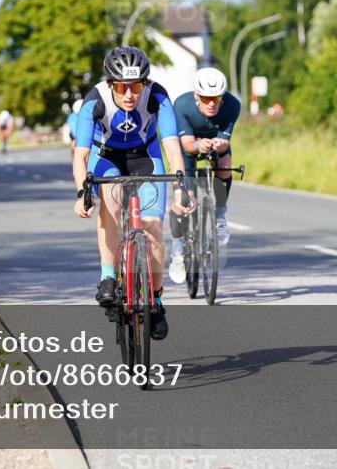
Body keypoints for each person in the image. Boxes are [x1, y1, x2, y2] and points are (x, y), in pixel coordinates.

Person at [72, 46, 194, 341]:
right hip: (108, 158)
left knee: (153, 230)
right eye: (123, 87)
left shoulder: (157, 97)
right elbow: (80, 155)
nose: (130, 94)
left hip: (146, 157)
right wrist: (82, 193)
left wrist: (181, 190)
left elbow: (172, 147)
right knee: (110, 206)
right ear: (111, 83)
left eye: (136, 85)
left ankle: (156, 299)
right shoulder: (94, 102)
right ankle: (108, 277)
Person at [168, 67, 241, 284]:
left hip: (214, 144)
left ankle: (219, 216)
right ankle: (177, 253)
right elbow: (188, 146)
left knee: (226, 163)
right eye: (206, 98)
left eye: (216, 98)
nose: (212, 103)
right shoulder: (182, 105)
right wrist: (199, 144)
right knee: (184, 200)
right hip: (188, 147)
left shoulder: (232, 105)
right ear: (196, 96)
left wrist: (218, 145)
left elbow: (226, 142)